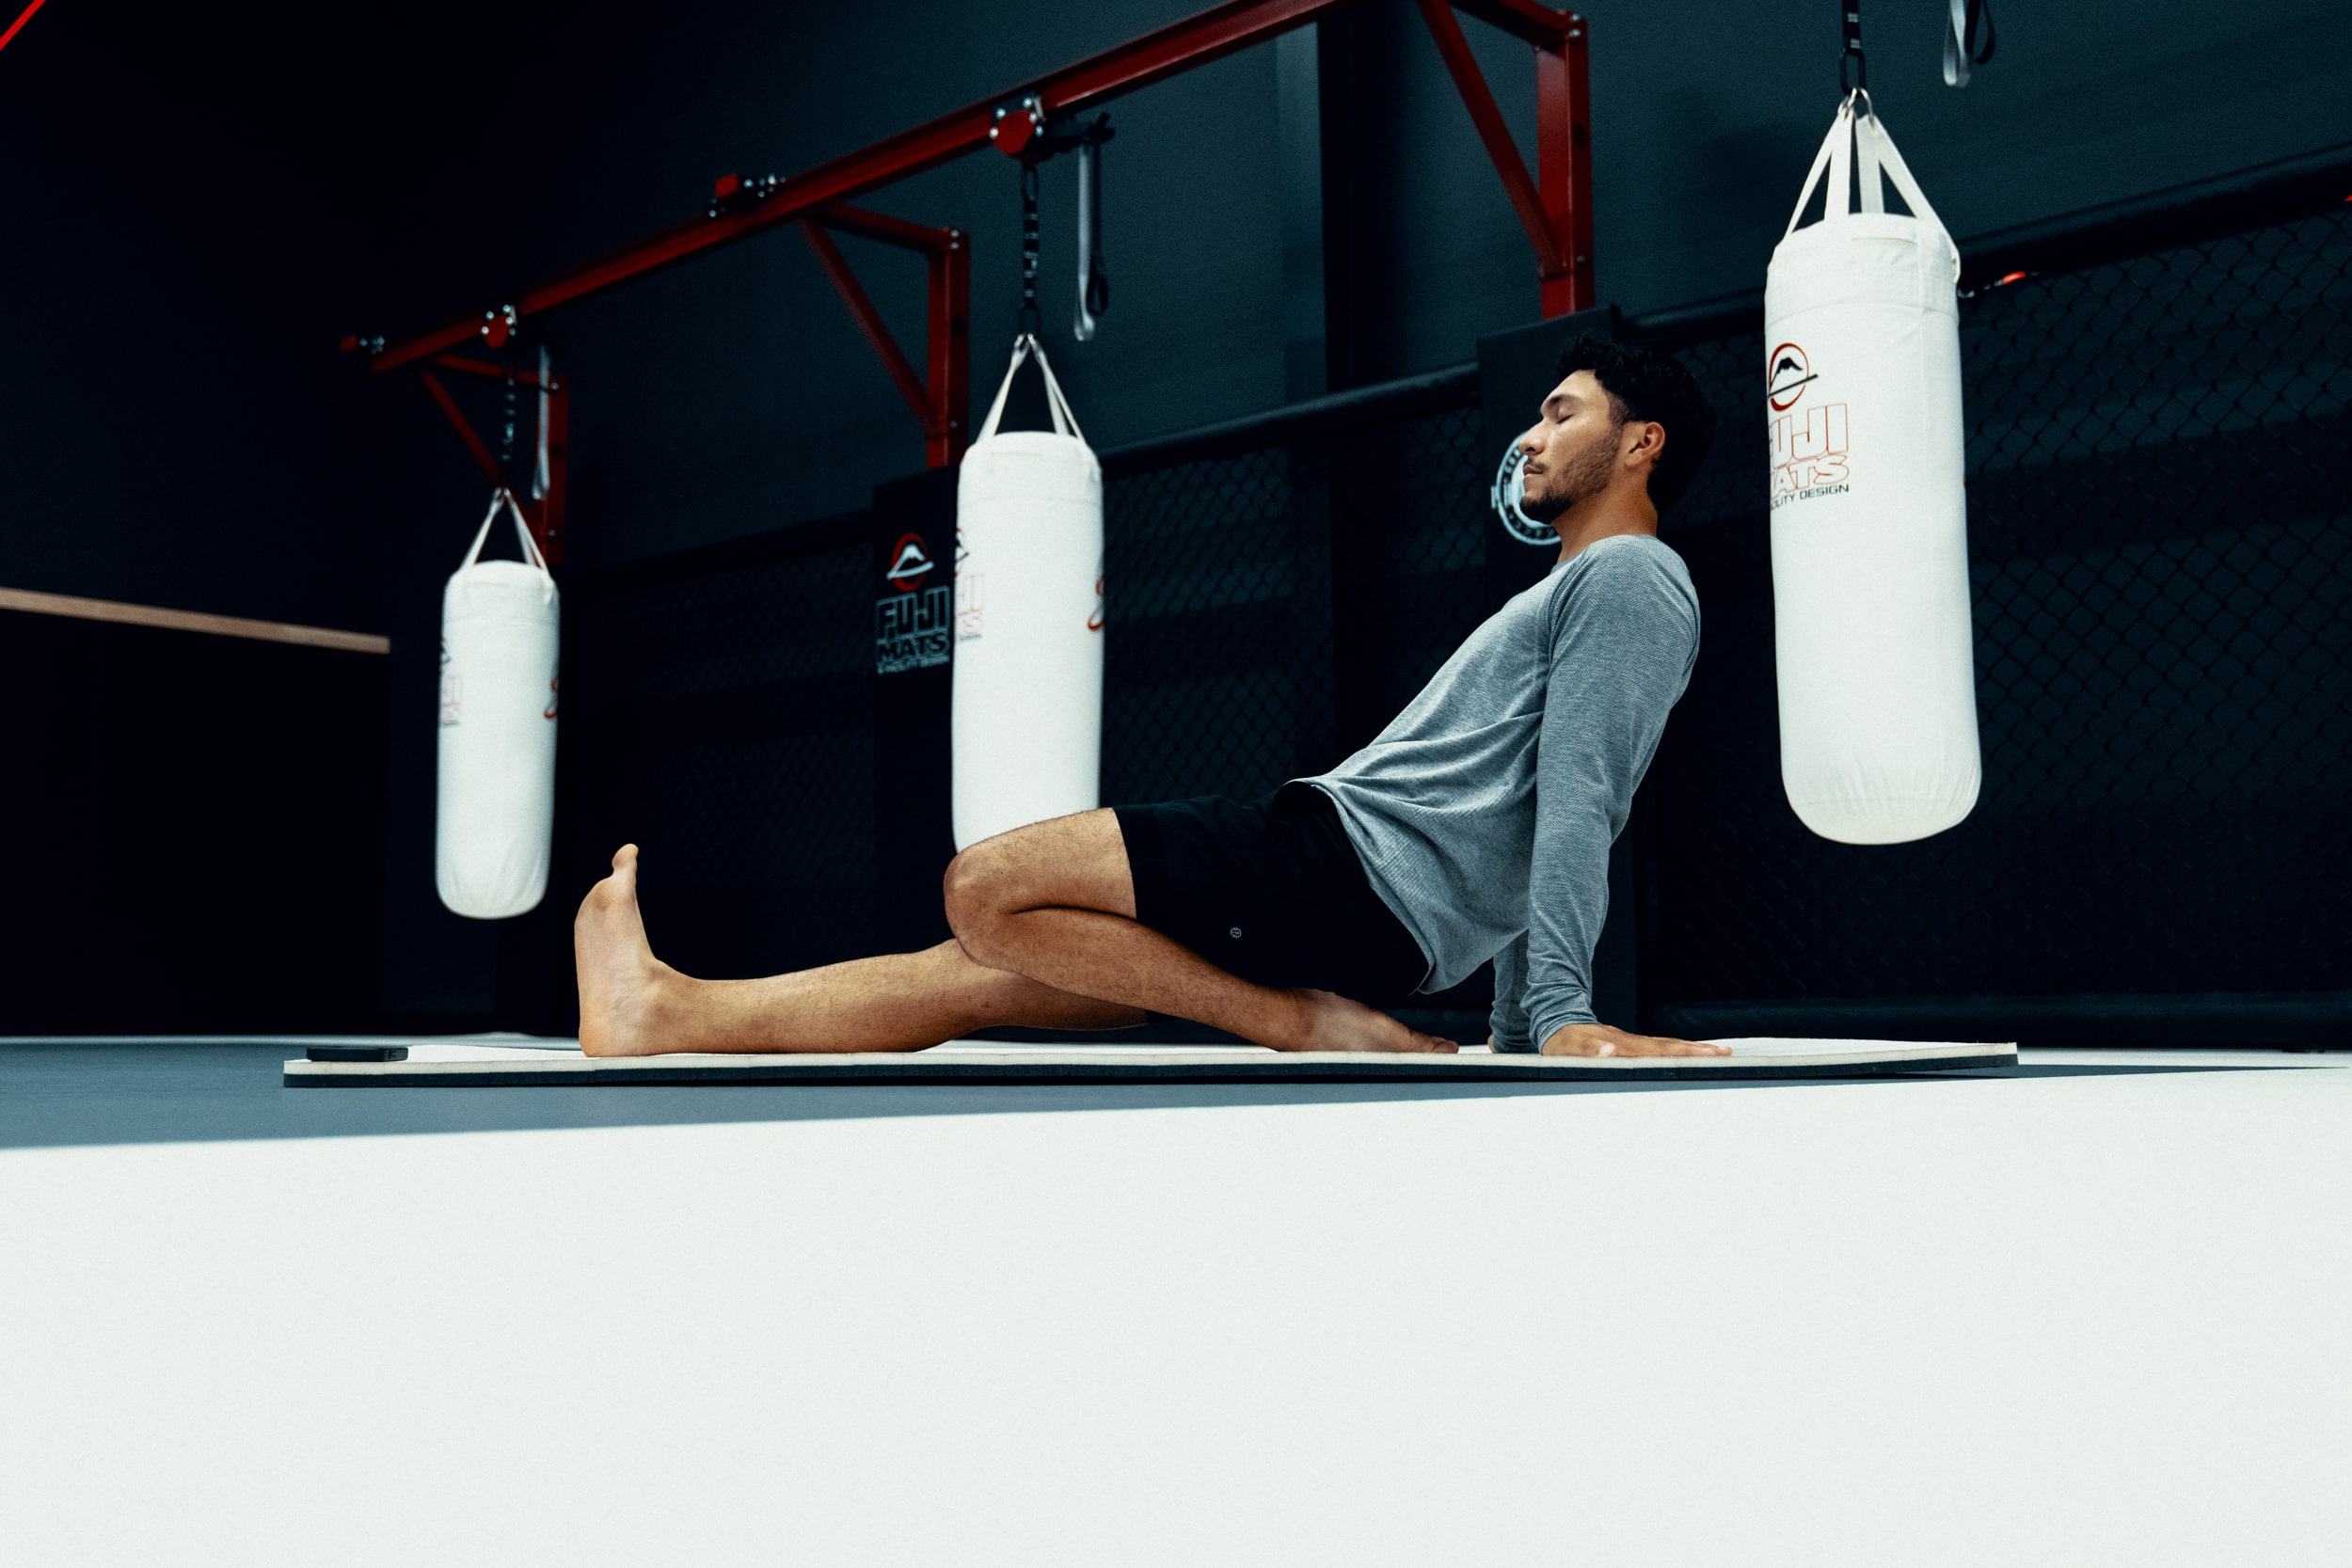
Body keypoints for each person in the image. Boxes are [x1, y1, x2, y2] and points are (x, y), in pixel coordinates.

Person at [574, 335, 1727, 1060]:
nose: (1531, 434)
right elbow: (1538, 809)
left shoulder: (1630, 575)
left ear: (1642, 444)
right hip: (1362, 900)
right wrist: (1517, 1024)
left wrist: (1561, 1013)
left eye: (1563, 412)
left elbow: (1582, 795)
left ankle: (1296, 1026)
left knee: (985, 888)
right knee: (976, 976)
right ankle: (662, 1014)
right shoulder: (1589, 582)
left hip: (1343, 870)